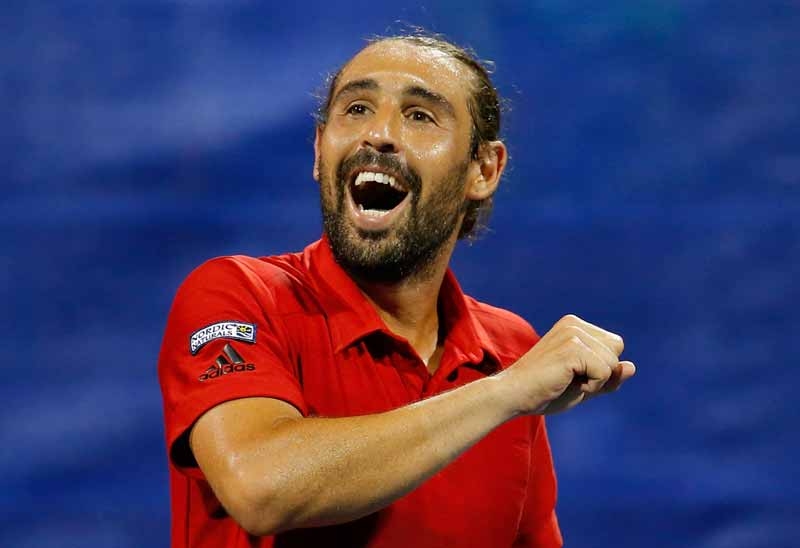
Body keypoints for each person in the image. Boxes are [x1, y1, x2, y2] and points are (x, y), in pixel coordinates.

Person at [158, 32, 635, 548]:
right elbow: (260, 487)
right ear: (319, 149)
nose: (379, 134)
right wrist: (505, 393)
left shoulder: (511, 349)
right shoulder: (238, 296)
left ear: (484, 169)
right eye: (357, 109)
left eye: (419, 115)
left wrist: (509, 386)